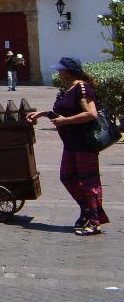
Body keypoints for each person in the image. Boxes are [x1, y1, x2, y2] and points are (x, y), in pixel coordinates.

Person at [28, 57, 109, 235]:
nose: (58, 72)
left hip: (84, 143)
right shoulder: (69, 89)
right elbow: (62, 113)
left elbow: (91, 114)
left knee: (89, 181)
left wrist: (66, 121)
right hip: (71, 143)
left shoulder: (81, 88)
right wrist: (43, 114)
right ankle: (88, 209)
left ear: (69, 71)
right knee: (67, 177)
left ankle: (95, 221)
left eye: (61, 70)